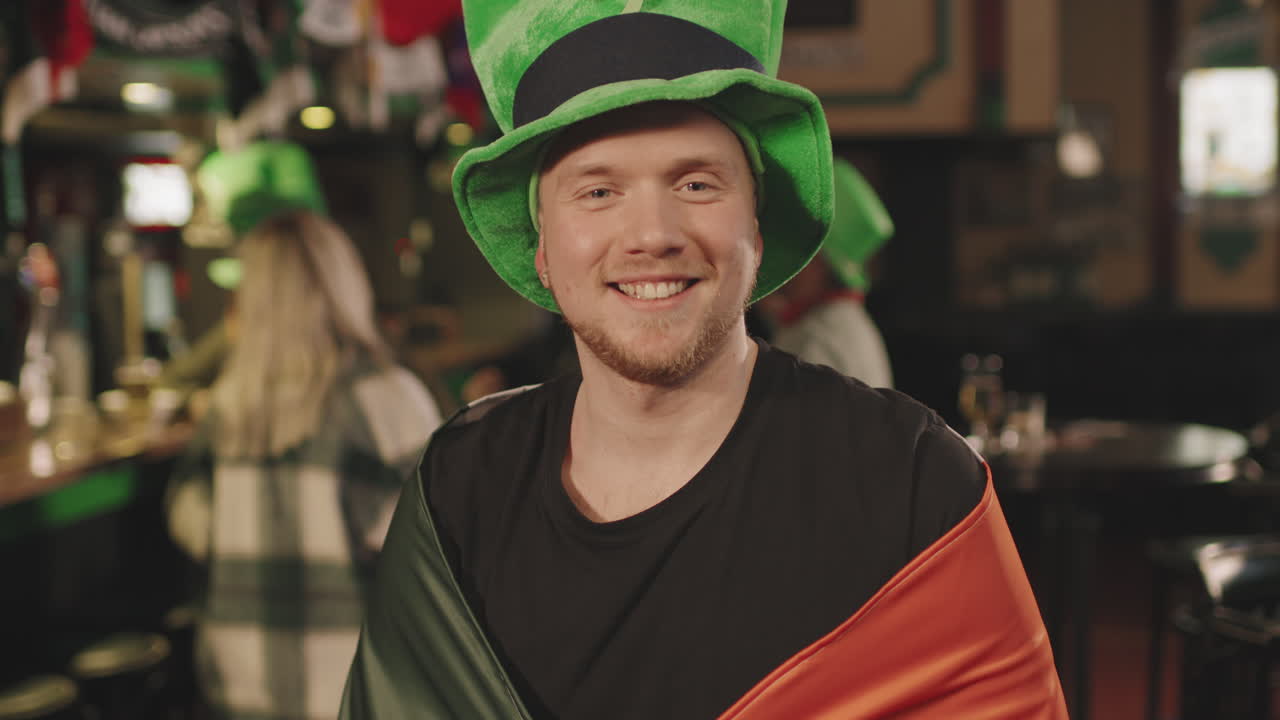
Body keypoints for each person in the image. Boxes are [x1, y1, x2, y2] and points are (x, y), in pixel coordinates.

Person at [341, 2, 1066, 719]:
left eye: (696, 184)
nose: (652, 234)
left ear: (755, 225)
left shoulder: (912, 482)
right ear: (543, 252)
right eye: (598, 191)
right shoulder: (459, 489)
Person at [165, 210, 442, 719]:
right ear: (345, 286)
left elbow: (189, 518)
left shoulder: (227, 406)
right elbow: (431, 557)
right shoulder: (386, 399)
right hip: (360, 693)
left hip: (240, 687)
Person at [759, 157, 895, 388]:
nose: (787, 265)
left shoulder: (815, 337)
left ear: (824, 264)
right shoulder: (845, 320)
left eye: (801, 253)